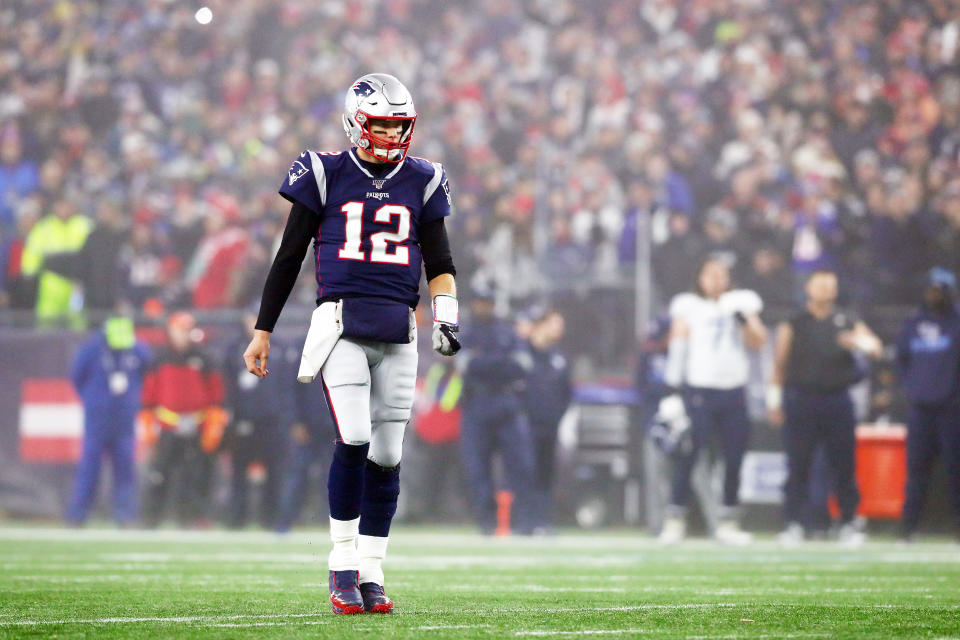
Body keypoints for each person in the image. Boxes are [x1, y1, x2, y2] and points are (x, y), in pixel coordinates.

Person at [242, 73, 460, 615]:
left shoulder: (424, 179)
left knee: (388, 454)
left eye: (400, 126)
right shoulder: (325, 172)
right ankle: (341, 563)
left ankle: (373, 570)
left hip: (400, 329)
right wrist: (263, 329)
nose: (392, 137)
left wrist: (446, 317)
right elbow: (289, 255)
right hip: (340, 325)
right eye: (382, 125)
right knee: (356, 437)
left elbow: (441, 264)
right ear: (355, 122)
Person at [658, 257, 767, 545]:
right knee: (688, 454)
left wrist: (742, 317)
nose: (716, 279)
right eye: (710, 273)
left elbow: (758, 341)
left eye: (722, 274)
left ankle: (728, 520)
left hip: (733, 390)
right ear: (700, 278)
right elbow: (678, 344)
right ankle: (675, 518)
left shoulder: (743, 303)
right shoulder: (688, 306)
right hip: (699, 390)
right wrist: (671, 390)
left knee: (733, 457)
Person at [769, 270, 883, 546]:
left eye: (830, 285)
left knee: (844, 465)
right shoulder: (794, 322)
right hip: (801, 400)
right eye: (820, 284)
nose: (825, 289)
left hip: (836, 400)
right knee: (798, 465)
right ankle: (794, 523)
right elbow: (779, 365)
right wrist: (774, 401)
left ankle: (848, 522)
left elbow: (876, 348)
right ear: (808, 288)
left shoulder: (846, 321)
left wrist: (857, 343)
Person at [458, 286, 536, 535]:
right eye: (480, 302)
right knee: (477, 468)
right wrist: (501, 363)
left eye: (487, 302)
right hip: (476, 406)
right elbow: (463, 365)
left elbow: (524, 365)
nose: (484, 307)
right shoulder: (466, 332)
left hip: (507, 404)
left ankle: (523, 523)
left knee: (521, 466)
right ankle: (486, 523)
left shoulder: (507, 330)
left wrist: (483, 363)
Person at [140, 312, 226, 528]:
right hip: (168, 425)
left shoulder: (205, 358)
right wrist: (149, 426)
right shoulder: (159, 358)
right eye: (179, 330)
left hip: (197, 424)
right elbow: (149, 395)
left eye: (186, 330)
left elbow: (216, 395)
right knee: (160, 474)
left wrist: (212, 426)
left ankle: (193, 518)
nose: (182, 335)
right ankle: (152, 518)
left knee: (196, 474)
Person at [66, 315, 152, 526]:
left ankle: (126, 515)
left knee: (125, 469)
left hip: (124, 420)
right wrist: (92, 399)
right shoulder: (92, 350)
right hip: (97, 420)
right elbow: (77, 377)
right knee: (89, 469)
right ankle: (78, 514)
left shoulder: (135, 349)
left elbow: (148, 367)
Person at [895, 267, 960, 541]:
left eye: (939, 290)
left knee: (956, 470)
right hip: (920, 409)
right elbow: (901, 361)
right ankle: (907, 528)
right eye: (931, 289)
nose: (934, 295)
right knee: (916, 471)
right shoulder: (912, 324)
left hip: (953, 410)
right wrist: (911, 390)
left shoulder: (957, 322)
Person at [223, 310, 295, 529]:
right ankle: (236, 520)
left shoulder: (282, 347)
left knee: (275, 472)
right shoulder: (234, 348)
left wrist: (287, 416)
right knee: (239, 472)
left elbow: (289, 386)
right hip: (243, 419)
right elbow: (227, 385)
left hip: (273, 420)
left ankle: (271, 519)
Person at [523, 308, 572, 532]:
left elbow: (566, 392)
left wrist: (557, 416)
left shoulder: (559, 356)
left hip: (550, 426)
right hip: (524, 424)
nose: (560, 329)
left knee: (546, 474)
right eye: (555, 323)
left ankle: (543, 522)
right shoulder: (523, 353)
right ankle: (524, 521)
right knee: (525, 472)